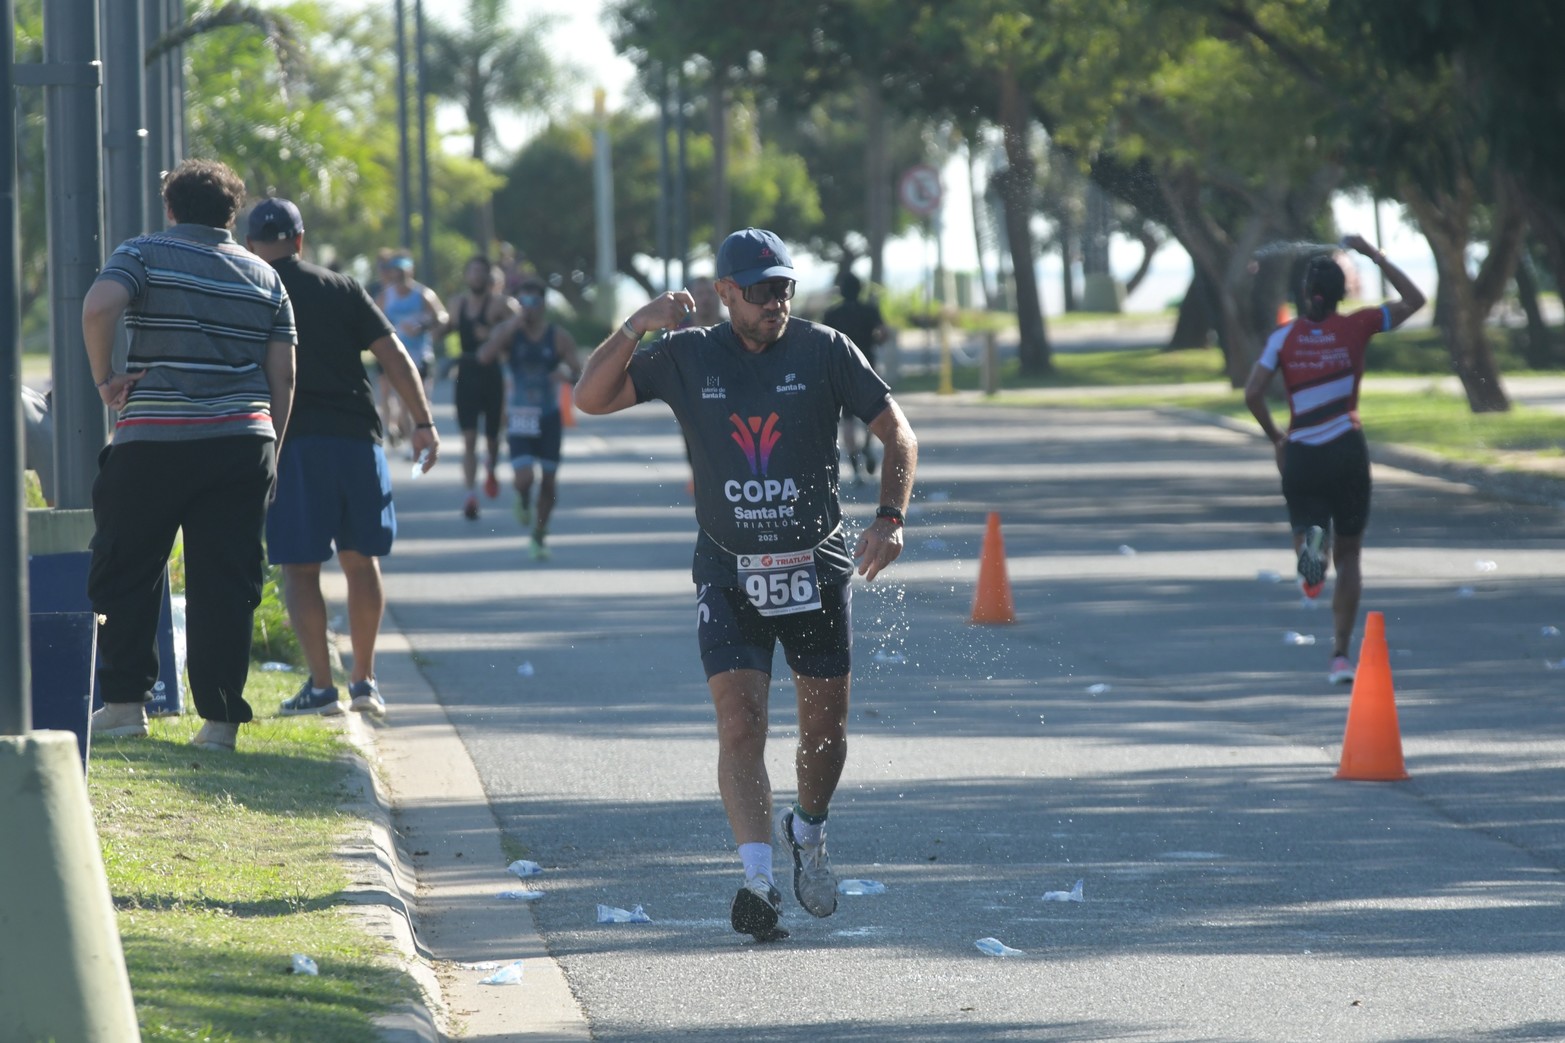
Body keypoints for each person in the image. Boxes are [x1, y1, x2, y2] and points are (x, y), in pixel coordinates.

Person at [575, 227, 918, 943]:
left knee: (825, 729)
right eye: (761, 290)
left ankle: (810, 830)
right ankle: (757, 879)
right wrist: (636, 325)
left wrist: (889, 518)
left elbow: (899, 434)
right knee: (741, 721)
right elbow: (590, 397)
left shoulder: (824, 349)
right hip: (728, 567)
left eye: (785, 287)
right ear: (724, 293)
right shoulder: (686, 353)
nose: (776, 302)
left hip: (815, 565)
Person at [81, 158, 295, 752]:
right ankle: (220, 723)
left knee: (126, 566)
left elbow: (99, 308)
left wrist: (106, 379)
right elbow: (284, 373)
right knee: (226, 580)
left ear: (170, 207)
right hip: (242, 442)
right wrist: (271, 445)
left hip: (154, 438)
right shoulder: (264, 276)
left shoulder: (143, 253)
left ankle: (125, 703)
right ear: (233, 213)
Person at [245, 197, 440, 718]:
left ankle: (321, 687)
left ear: (249, 245)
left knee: (300, 569)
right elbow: (395, 355)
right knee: (360, 560)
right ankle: (365, 681)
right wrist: (422, 423)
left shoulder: (249, 288)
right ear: (300, 240)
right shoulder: (341, 286)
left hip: (289, 443)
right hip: (355, 439)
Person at [1244, 235, 1425, 685]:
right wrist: (1373, 255)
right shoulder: (1359, 326)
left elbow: (1252, 393)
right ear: (1344, 292)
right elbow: (1416, 299)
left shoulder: (1283, 338)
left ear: (1305, 294)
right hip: (1346, 449)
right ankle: (1341, 655)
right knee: (1351, 555)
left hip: (1302, 451)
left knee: (1309, 528)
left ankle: (1310, 557)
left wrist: (1277, 440)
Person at [478, 276, 581, 561]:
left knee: (548, 482)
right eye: (523, 302)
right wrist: (510, 327)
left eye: (534, 302)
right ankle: (523, 497)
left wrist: (567, 376)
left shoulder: (558, 336)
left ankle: (538, 535)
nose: (529, 308)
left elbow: (582, 374)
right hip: (520, 416)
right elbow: (484, 356)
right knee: (524, 479)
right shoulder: (509, 333)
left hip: (548, 416)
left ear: (544, 305)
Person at [441, 256, 518, 519]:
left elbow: (519, 328)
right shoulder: (457, 303)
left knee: (493, 437)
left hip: (492, 373)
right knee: (469, 438)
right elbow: (446, 326)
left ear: (488, 278)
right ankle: (470, 495)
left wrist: (495, 334)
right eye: (471, 271)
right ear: (466, 276)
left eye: (480, 272)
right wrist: (425, 328)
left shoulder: (501, 305)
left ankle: (492, 468)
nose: (475, 277)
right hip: (466, 372)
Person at [822, 271, 888, 484]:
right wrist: (875, 340)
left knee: (847, 418)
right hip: (869, 364)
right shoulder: (870, 310)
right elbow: (883, 333)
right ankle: (868, 445)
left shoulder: (832, 313)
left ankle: (854, 464)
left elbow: (825, 340)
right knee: (874, 410)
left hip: (841, 369)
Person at [376, 252, 447, 449]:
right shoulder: (385, 296)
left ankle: (418, 436)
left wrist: (424, 326)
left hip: (421, 356)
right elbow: (373, 321)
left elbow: (442, 317)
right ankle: (410, 442)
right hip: (395, 357)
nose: (398, 275)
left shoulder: (423, 294)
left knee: (421, 400)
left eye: (402, 271)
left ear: (410, 271)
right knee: (402, 402)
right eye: (395, 271)